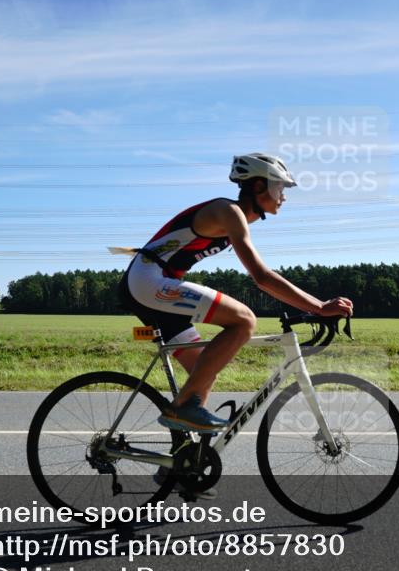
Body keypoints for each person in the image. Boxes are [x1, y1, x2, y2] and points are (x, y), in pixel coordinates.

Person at [117, 153, 354, 432]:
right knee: (244, 320)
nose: (284, 196)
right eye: (279, 187)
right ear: (257, 186)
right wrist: (319, 306)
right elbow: (261, 277)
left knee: (204, 372)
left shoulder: (233, 217)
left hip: (149, 284)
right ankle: (182, 409)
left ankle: (181, 466)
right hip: (149, 281)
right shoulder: (229, 212)